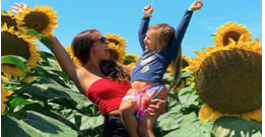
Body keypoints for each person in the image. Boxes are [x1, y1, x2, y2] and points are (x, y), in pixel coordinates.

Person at [10, 3, 168, 137]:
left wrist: (160, 104)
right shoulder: (79, 73)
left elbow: (153, 85)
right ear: (88, 47)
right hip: (116, 128)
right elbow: (54, 44)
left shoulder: (121, 69)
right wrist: (33, 16)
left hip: (141, 123)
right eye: (102, 40)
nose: (108, 44)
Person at [119, 0, 203, 137]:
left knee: (144, 129)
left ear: (162, 43)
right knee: (124, 109)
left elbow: (180, 33)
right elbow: (141, 33)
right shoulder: (146, 53)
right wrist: (146, 15)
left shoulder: (164, 54)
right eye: (146, 38)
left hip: (153, 93)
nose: (144, 40)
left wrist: (189, 11)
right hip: (134, 93)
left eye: (149, 38)